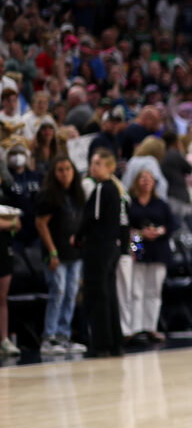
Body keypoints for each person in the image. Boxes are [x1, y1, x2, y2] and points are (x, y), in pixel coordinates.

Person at [35, 156, 87, 355]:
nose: (65, 173)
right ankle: (49, 337)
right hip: (56, 254)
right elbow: (41, 224)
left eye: (68, 169)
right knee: (58, 293)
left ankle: (64, 336)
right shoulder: (48, 195)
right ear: (54, 173)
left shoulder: (76, 194)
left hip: (74, 254)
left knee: (72, 294)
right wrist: (52, 251)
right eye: (60, 170)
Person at [79, 150, 125, 357]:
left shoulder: (104, 189)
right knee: (114, 293)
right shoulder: (118, 190)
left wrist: (134, 250)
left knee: (102, 294)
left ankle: (103, 343)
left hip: (106, 248)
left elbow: (92, 219)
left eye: (98, 163)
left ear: (110, 167)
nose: (93, 167)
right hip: (118, 248)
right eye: (92, 163)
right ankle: (116, 340)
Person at [127, 168, 174, 342]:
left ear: (154, 183)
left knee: (154, 290)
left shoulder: (161, 204)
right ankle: (136, 328)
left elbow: (171, 225)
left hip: (159, 247)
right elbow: (128, 227)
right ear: (136, 181)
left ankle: (151, 327)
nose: (146, 181)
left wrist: (159, 231)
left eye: (149, 178)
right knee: (136, 288)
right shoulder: (131, 203)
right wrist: (139, 235)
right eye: (142, 178)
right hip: (138, 243)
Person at [0, 176, 21, 355]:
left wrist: (7, 224)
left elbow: (18, 223)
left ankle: (4, 339)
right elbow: (12, 223)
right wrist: (9, 224)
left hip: (4, 250)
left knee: (2, 297)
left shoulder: (5, 200)